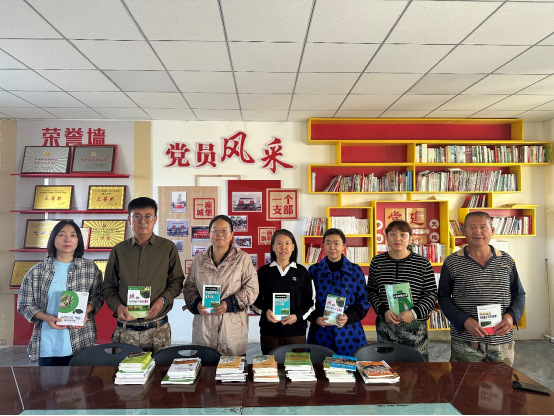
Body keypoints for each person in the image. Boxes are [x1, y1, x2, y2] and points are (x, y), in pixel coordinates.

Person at [439, 212, 526, 367]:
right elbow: (443, 297)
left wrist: (511, 317)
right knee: (465, 380)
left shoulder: (506, 259)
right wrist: (464, 320)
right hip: (466, 340)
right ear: (464, 231)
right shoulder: (452, 262)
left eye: (483, 227)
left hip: (501, 339)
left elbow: (518, 293)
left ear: (492, 230)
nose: (477, 232)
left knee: (501, 380)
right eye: (472, 227)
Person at [102, 197, 185, 353]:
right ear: (129, 219)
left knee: (159, 368)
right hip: (126, 330)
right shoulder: (119, 250)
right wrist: (118, 306)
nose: (142, 221)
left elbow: (177, 282)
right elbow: (108, 287)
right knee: (123, 369)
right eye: (137, 216)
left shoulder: (167, 248)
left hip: (158, 330)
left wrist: (163, 300)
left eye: (148, 216)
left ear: (155, 219)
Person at [17, 220, 103, 366]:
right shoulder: (37, 271)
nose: (67, 239)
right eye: (62, 235)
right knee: (48, 380)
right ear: (53, 239)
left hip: (81, 340)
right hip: (49, 343)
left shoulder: (90, 268)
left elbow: (98, 297)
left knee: (82, 381)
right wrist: (46, 317)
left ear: (78, 240)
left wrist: (85, 311)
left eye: (73, 235)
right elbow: (24, 304)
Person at [183, 215, 259, 357]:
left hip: (232, 331)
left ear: (232, 234)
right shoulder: (199, 259)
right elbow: (189, 287)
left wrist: (228, 304)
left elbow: (252, 288)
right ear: (209, 233)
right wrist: (197, 303)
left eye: (224, 231)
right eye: (215, 230)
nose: (220, 235)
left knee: (232, 369)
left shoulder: (243, 259)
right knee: (204, 368)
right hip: (204, 329)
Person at [366, 220, 437, 361]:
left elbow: (431, 294)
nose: (397, 238)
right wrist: (383, 311)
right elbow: (372, 291)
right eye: (392, 234)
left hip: (415, 327)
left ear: (410, 238)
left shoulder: (423, 263)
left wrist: (414, 313)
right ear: (386, 237)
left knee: (416, 367)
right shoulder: (377, 262)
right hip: (386, 325)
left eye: (403, 235)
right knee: (386, 365)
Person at [307, 228, 370, 356]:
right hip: (320, 332)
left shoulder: (355, 270)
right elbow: (306, 300)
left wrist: (349, 317)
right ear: (323, 245)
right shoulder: (314, 270)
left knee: (349, 367)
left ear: (344, 246)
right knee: (319, 366)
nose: (332, 247)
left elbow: (363, 300)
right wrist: (315, 318)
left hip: (350, 333)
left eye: (336, 243)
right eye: (328, 243)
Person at [252, 230, 315, 355]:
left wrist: (297, 316)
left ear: (293, 247)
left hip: (296, 332)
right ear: (273, 247)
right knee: (271, 365)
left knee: (296, 366)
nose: (283, 247)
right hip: (270, 332)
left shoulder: (302, 272)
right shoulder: (263, 272)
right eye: (279, 243)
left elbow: (310, 302)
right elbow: (253, 299)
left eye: (287, 243)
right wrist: (265, 311)